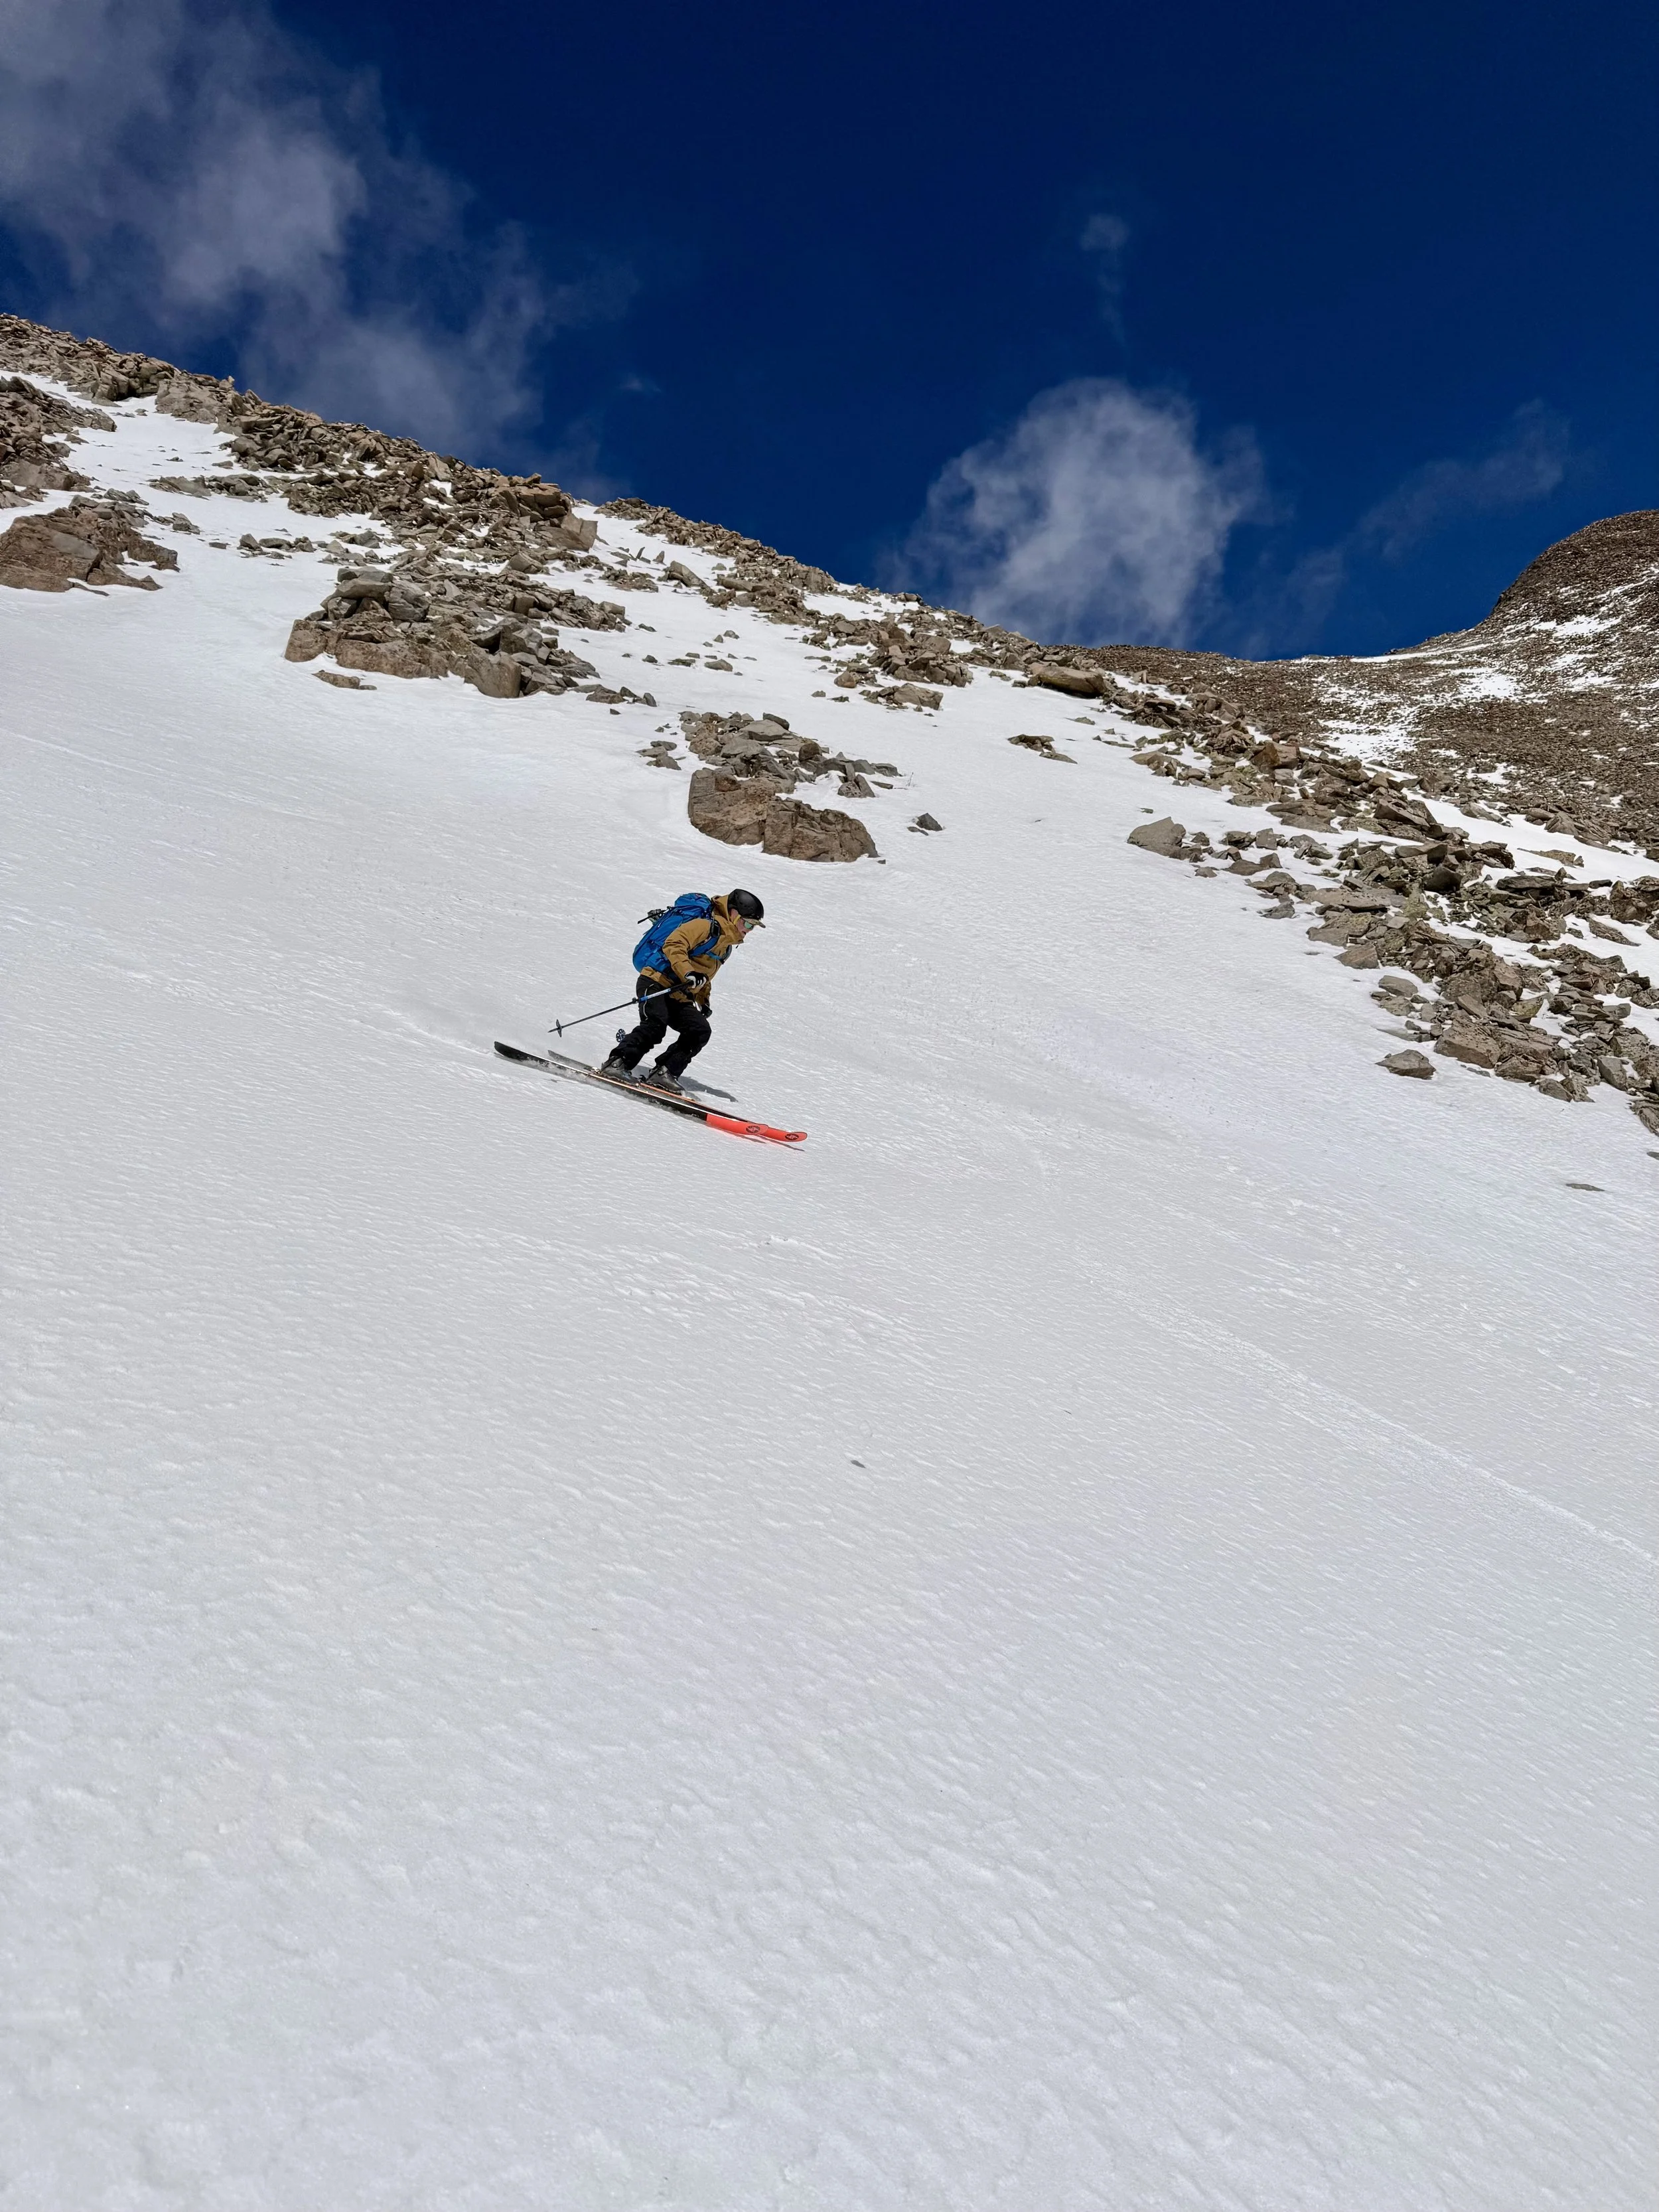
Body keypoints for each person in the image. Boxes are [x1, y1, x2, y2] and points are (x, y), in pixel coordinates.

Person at [601, 888, 764, 1091]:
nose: (748, 929)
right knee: (655, 1025)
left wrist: (703, 1001)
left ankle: (665, 1073)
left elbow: (704, 972)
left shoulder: (726, 946)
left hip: (679, 994)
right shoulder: (704, 926)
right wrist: (688, 973)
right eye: (747, 923)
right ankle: (617, 1063)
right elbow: (674, 944)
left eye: (754, 926)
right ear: (733, 913)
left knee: (699, 1030)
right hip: (656, 980)